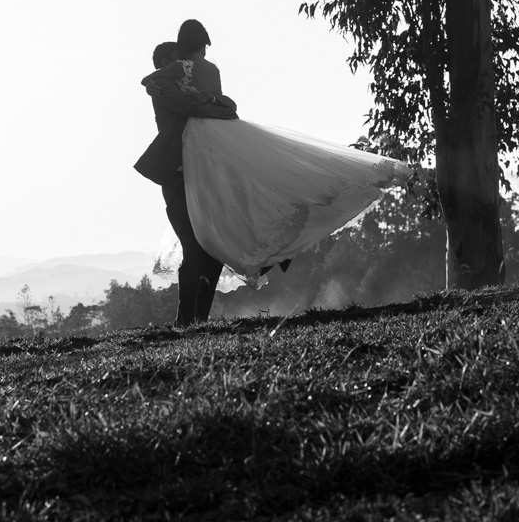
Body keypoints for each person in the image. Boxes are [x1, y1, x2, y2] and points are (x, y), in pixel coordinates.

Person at [140, 19, 411, 281]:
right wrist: (213, 101)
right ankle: (273, 248)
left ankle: (253, 252)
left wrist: (186, 93)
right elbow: (223, 104)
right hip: (222, 134)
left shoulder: (179, 69)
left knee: (225, 211)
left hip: (201, 144)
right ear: (203, 45)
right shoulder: (211, 69)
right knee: (253, 192)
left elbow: (151, 81)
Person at [134, 34, 237, 326]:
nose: (186, 64)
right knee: (194, 249)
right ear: (168, 63)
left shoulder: (183, 85)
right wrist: (215, 100)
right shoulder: (162, 86)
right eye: (179, 59)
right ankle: (184, 320)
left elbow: (222, 109)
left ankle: (198, 319)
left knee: (213, 249)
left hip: (201, 175)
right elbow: (197, 106)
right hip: (178, 180)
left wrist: (216, 100)